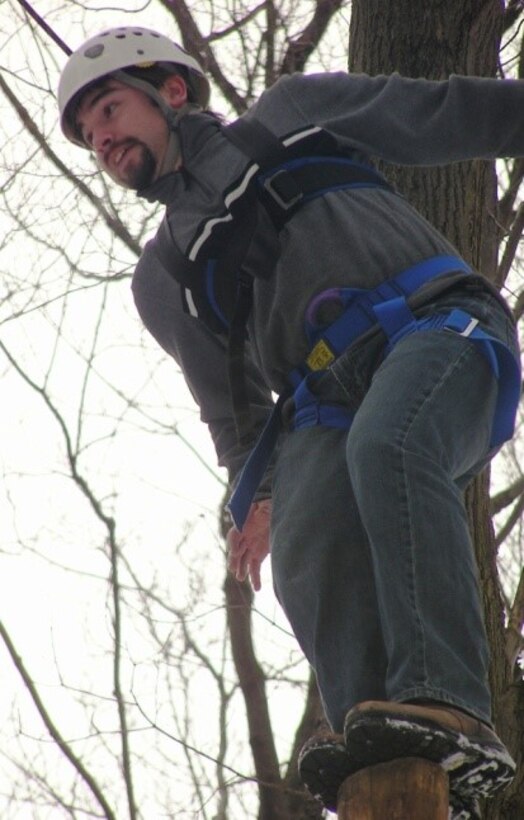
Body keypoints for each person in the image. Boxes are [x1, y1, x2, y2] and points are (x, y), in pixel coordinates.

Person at [58, 27, 521, 818]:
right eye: (88, 135)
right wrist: (258, 493)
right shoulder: (163, 278)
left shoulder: (292, 116)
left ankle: (447, 698)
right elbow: (230, 407)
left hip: (435, 326)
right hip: (320, 405)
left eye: (109, 108)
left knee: (392, 443)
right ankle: (386, 746)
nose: (101, 138)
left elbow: (444, 114)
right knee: (307, 542)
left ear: (172, 92)